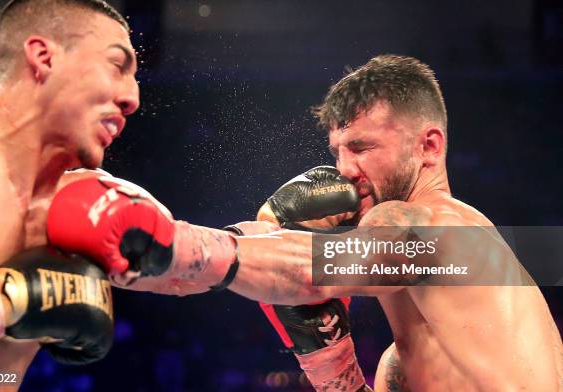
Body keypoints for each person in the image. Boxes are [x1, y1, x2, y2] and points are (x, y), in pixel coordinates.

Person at [48, 55, 563, 391]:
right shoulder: (407, 360)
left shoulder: (431, 223)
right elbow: (287, 264)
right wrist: (328, 359)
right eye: (336, 151)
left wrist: (177, 243)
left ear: (429, 146)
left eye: (362, 148)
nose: (344, 169)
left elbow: (309, 268)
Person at [0, 0, 138, 388]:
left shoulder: (91, 204)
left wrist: (305, 242)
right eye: (117, 65)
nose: (132, 97)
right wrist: (2, 305)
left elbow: (213, 265)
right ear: (43, 57)